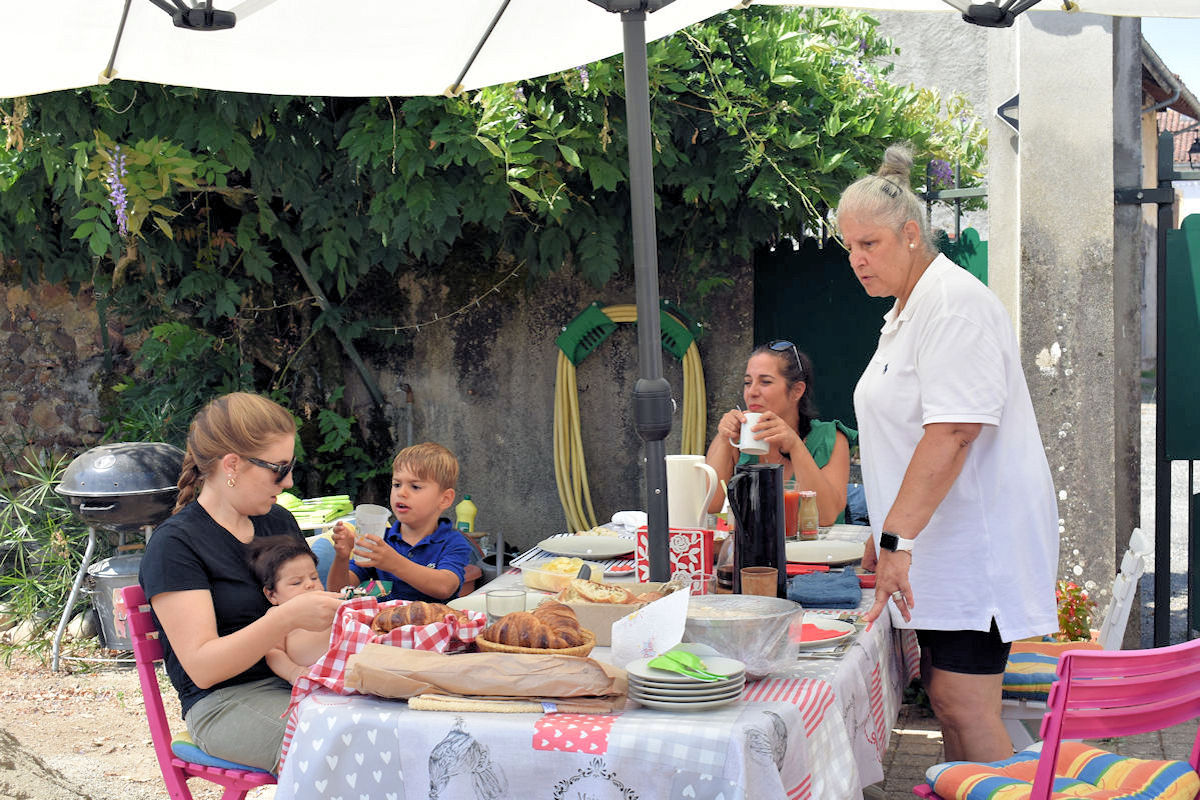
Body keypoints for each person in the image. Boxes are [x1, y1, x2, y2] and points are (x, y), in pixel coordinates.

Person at [841, 144, 1059, 762]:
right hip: (935, 546)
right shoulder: (908, 311)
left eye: (869, 244)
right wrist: (885, 533)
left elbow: (953, 433)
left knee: (965, 704)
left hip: (974, 547)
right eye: (849, 247)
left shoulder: (953, 306)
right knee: (946, 698)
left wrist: (895, 539)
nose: (856, 260)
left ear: (911, 234)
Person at [138, 392, 345, 773]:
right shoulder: (175, 545)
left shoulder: (278, 521)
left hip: (300, 678)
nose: (288, 481)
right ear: (232, 464)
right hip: (224, 702)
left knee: (399, 722)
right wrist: (284, 618)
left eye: (291, 467)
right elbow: (203, 668)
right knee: (340, 745)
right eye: (278, 469)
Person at [706, 341, 855, 525]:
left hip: (816, 544)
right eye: (747, 382)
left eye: (765, 382)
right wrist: (724, 439)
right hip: (754, 543)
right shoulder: (736, 438)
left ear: (796, 391)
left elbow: (825, 517)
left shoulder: (830, 437)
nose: (752, 392)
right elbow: (707, 506)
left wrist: (795, 446)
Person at [326, 442, 473, 603]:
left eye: (415, 486)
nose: (401, 493)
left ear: (445, 499)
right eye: (396, 484)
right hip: (384, 619)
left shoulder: (453, 542)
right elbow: (338, 592)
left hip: (434, 619)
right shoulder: (380, 541)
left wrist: (393, 562)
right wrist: (342, 557)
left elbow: (445, 586)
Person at [248, 535, 335, 685]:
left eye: (314, 577)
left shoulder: (327, 602)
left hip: (353, 664)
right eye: (296, 582)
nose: (310, 584)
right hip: (315, 676)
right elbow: (274, 653)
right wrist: (293, 672)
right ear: (272, 595)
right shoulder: (277, 616)